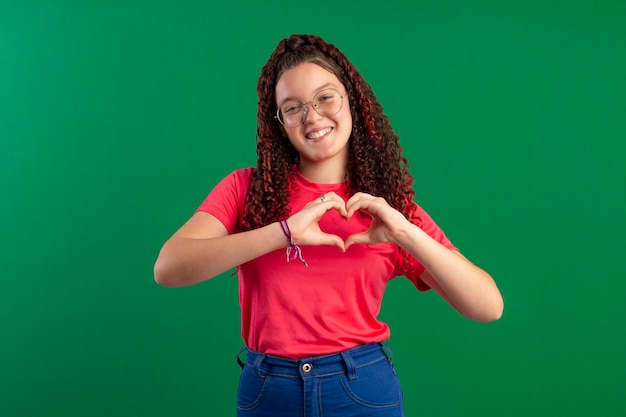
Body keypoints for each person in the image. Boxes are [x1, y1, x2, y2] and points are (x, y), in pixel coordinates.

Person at [154, 33, 503, 417]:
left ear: (351, 99)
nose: (312, 116)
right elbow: (169, 267)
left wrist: (405, 232)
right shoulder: (245, 190)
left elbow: (487, 307)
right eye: (292, 107)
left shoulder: (388, 209)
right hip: (269, 390)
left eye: (325, 97)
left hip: (360, 389)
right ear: (279, 124)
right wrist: (283, 232)